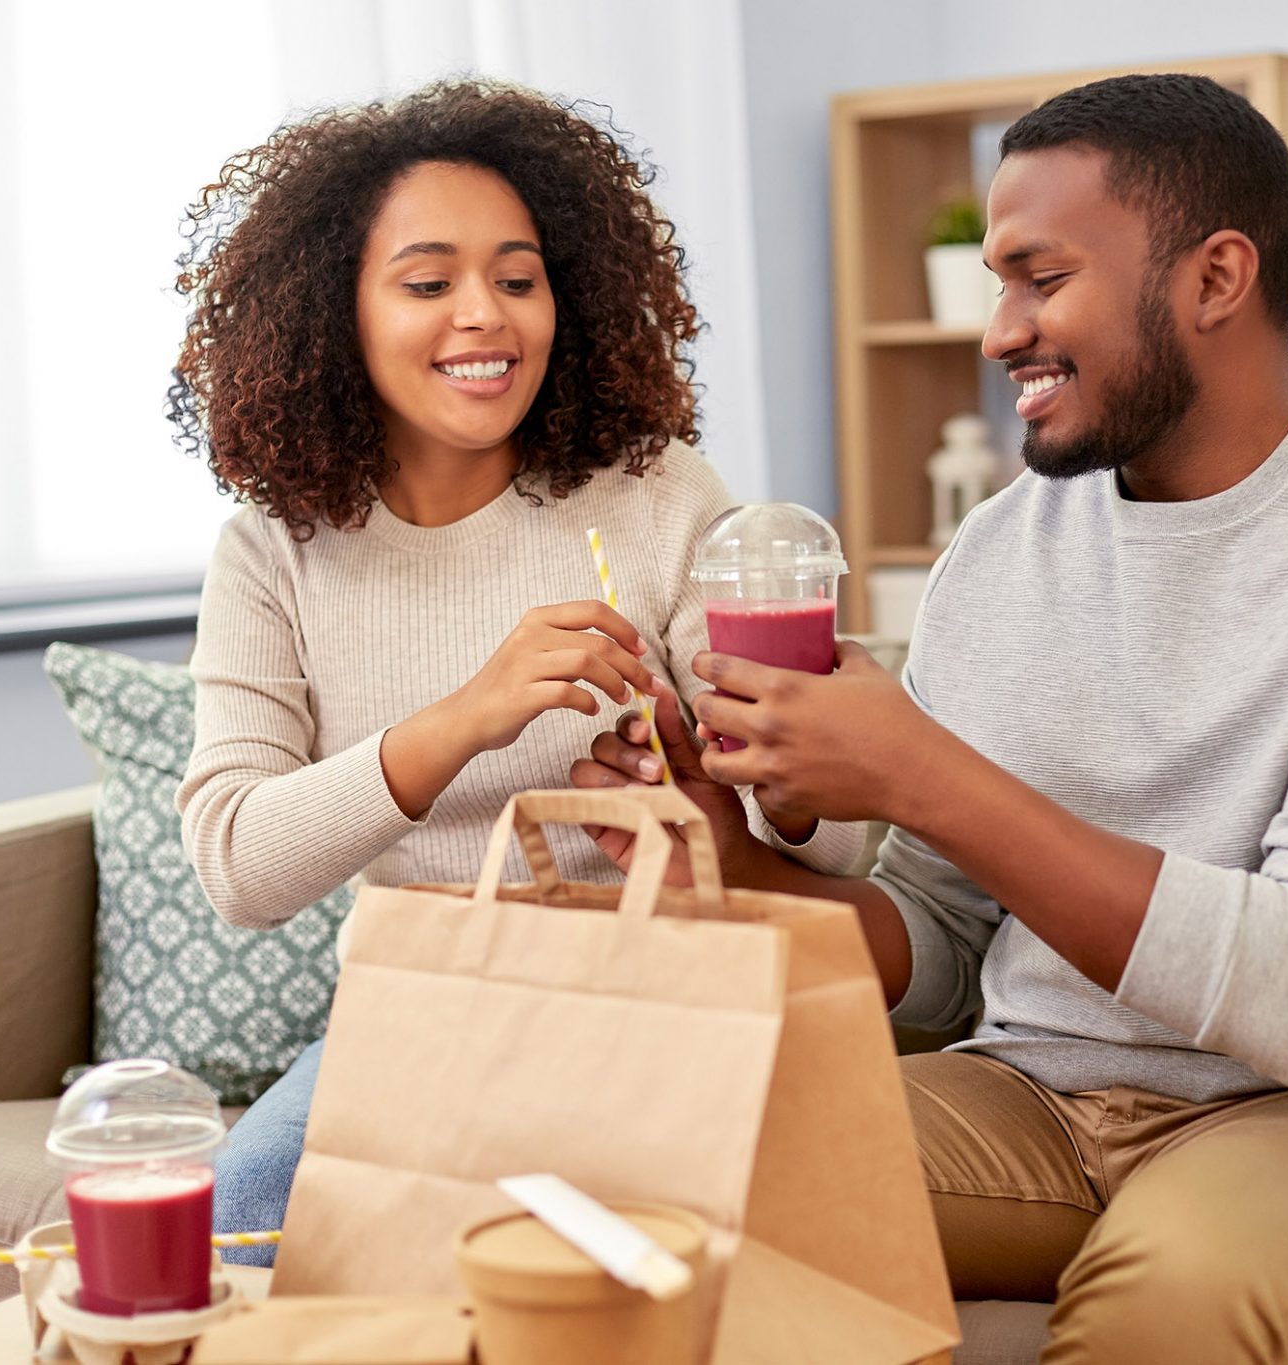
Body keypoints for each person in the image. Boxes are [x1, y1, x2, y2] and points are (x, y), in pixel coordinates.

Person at [575, 74, 1288, 1363]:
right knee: (644, 1177)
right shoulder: (999, 551)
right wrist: (734, 865)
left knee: (1176, 1296)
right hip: (1029, 1097)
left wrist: (920, 773)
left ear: (1214, 279)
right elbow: (938, 947)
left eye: (1039, 280)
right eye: (997, 283)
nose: (999, 333)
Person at [168, 79, 862, 1265]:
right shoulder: (271, 550)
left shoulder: (654, 498)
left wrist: (724, 782)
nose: (484, 316)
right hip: (424, 1011)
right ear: (334, 313)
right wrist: (467, 719)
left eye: (518, 278)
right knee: (251, 1214)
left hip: (653, 1004)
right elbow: (237, 863)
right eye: (429, 282)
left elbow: (833, 845)